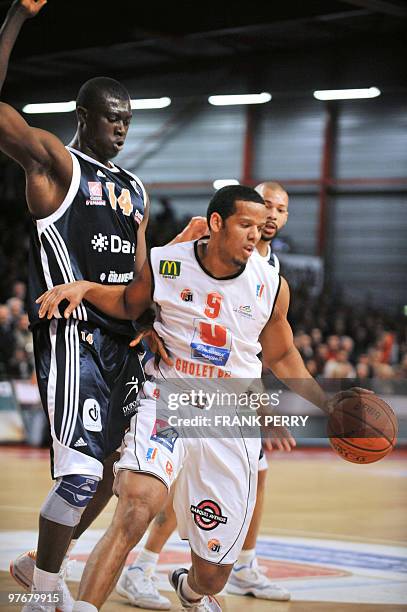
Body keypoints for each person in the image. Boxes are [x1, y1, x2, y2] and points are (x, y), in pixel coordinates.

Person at [37, 184, 357, 612]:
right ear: (217, 223)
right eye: (245, 225)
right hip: (167, 398)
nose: (254, 235)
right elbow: (131, 303)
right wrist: (85, 288)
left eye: (260, 228)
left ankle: (190, 591)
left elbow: (282, 354)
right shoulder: (167, 263)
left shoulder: (271, 285)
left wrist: (328, 403)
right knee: (136, 508)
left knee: (212, 576)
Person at [1, 2, 205, 610]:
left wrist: (164, 291)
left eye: (128, 120)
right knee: (82, 475)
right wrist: (15, 18)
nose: (121, 128)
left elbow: (141, 275)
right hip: (73, 339)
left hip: (126, 345)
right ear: (83, 117)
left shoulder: (135, 188)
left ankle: (38, 566)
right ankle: (43, 590)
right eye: (111, 118)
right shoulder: (55, 165)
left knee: (119, 477)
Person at [116, 181, 291, 610]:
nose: (271, 216)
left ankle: (237, 564)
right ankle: (140, 565)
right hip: (177, 391)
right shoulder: (206, 246)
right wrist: (144, 326)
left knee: (243, 483)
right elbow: (153, 295)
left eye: (280, 210)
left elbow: (262, 350)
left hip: (234, 404)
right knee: (165, 482)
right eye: (264, 206)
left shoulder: (271, 274)